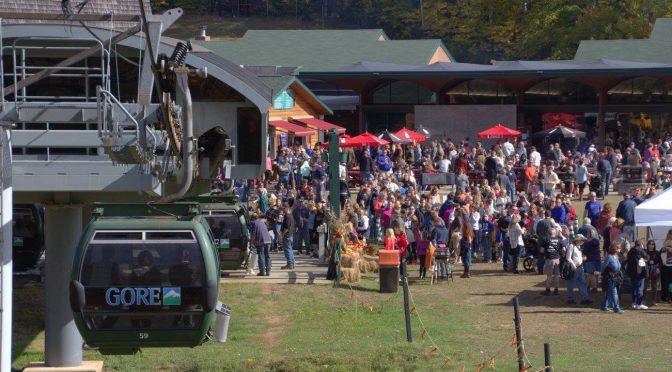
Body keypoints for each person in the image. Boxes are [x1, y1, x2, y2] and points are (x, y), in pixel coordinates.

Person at [565, 234, 591, 305]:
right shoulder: (571, 246)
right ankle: (570, 299)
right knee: (571, 284)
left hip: (580, 267)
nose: (583, 242)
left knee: (582, 283)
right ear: (577, 240)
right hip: (573, 268)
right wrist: (573, 265)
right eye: (582, 240)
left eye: (583, 240)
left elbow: (577, 257)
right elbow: (568, 258)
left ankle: (585, 299)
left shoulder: (579, 247)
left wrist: (583, 259)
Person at [626, 240, 649, 310]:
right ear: (641, 244)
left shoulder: (630, 251)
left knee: (634, 288)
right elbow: (647, 257)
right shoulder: (641, 250)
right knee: (640, 288)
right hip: (640, 272)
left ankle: (634, 303)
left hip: (631, 272)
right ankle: (639, 303)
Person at [601, 243, 624, 313]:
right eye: (619, 248)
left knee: (608, 292)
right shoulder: (609, 257)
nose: (620, 249)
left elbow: (618, 266)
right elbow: (603, 267)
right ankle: (616, 308)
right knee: (614, 292)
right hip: (610, 277)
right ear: (615, 249)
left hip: (616, 277)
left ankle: (604, 306)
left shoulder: (616, 256)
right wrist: (602, 274)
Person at [541, 226, 564, 296]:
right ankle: (556, 290)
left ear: (548, 233)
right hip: (557, 259)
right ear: (555, 233)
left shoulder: (545, 240)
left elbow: (541, 250)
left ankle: (548, 290)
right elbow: (564, 250)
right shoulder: (559, 240)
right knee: (557, 275)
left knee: (549, 276)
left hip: (549, 259)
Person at [250, 212, 273, 276]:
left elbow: (253, 234)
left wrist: (251, 242)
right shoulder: (262, 223)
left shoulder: (253, 223)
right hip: (268, 240)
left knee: (261, 256)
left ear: (252, 218)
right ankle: (268, 272)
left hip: (261, 241)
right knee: (267, 256)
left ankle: (262, 272)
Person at [581, 229, 601, 293]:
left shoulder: (587, 242)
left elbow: (584, 251)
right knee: (593, 274)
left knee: (591, 274)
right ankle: (588, 286)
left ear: (588, 234)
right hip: (597, 259)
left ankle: (594, 288)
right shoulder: (597, 241)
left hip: (590, 259)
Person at [644, 240, 661, 306]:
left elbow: (661, 262)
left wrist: (658, 268)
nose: (651, 246)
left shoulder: (657, 252)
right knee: (645, 286)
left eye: (652, 244)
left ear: (654, 245)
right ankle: (643, 300)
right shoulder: (645, 252)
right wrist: (647, 262)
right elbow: (642, 260)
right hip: (647, 270)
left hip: (654, 270)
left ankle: (653, 300)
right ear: (647, 245)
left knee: (654, 286)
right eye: (650, 244)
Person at [281, 203, 296, 270]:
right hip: (290, 235)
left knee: (287, 250)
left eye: (283, 208)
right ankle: (292, 263)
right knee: (290, 250)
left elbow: (286, 228)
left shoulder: (287, 216)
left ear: (287, 208)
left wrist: (282, 234)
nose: (282, 209)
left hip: (287, 235)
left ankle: (290, 264)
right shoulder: (291, 216)